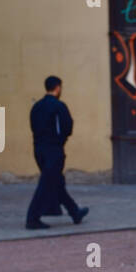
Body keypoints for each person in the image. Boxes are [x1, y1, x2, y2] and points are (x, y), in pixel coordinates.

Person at [25, 77, 89, 230]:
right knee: (46, 184)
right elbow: (67, 128)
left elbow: (33, 127)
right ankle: (32, 218)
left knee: (56, 182)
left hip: (38, 149)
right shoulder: (59, 106)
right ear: (58, 88)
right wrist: (59, 142)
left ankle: (75, 212)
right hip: (53, 151)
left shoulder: (36, 107)